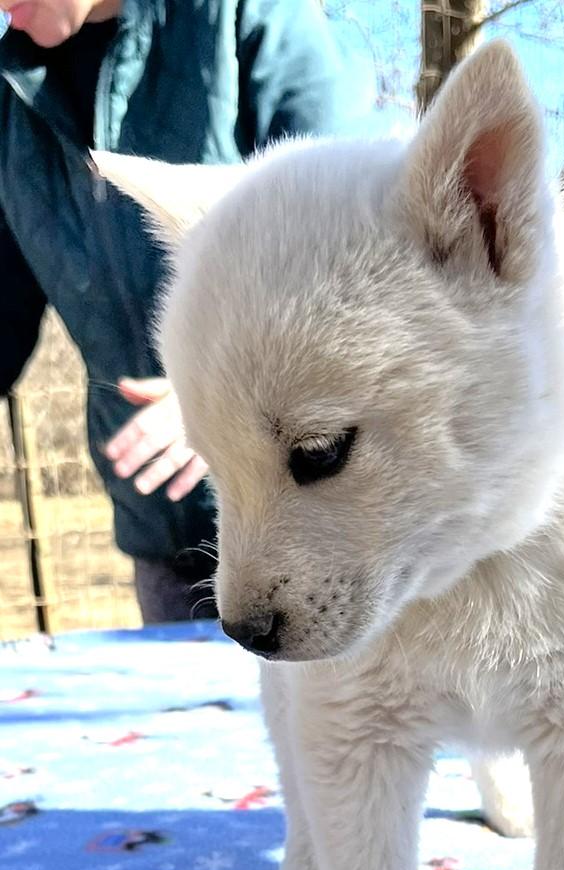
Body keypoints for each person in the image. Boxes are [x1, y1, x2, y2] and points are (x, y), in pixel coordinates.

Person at [0, 0, 353, 622]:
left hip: (325, 523)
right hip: (163, 536)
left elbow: (359, 249)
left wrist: (211, 393)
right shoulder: (8, 103)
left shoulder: (245, 17)